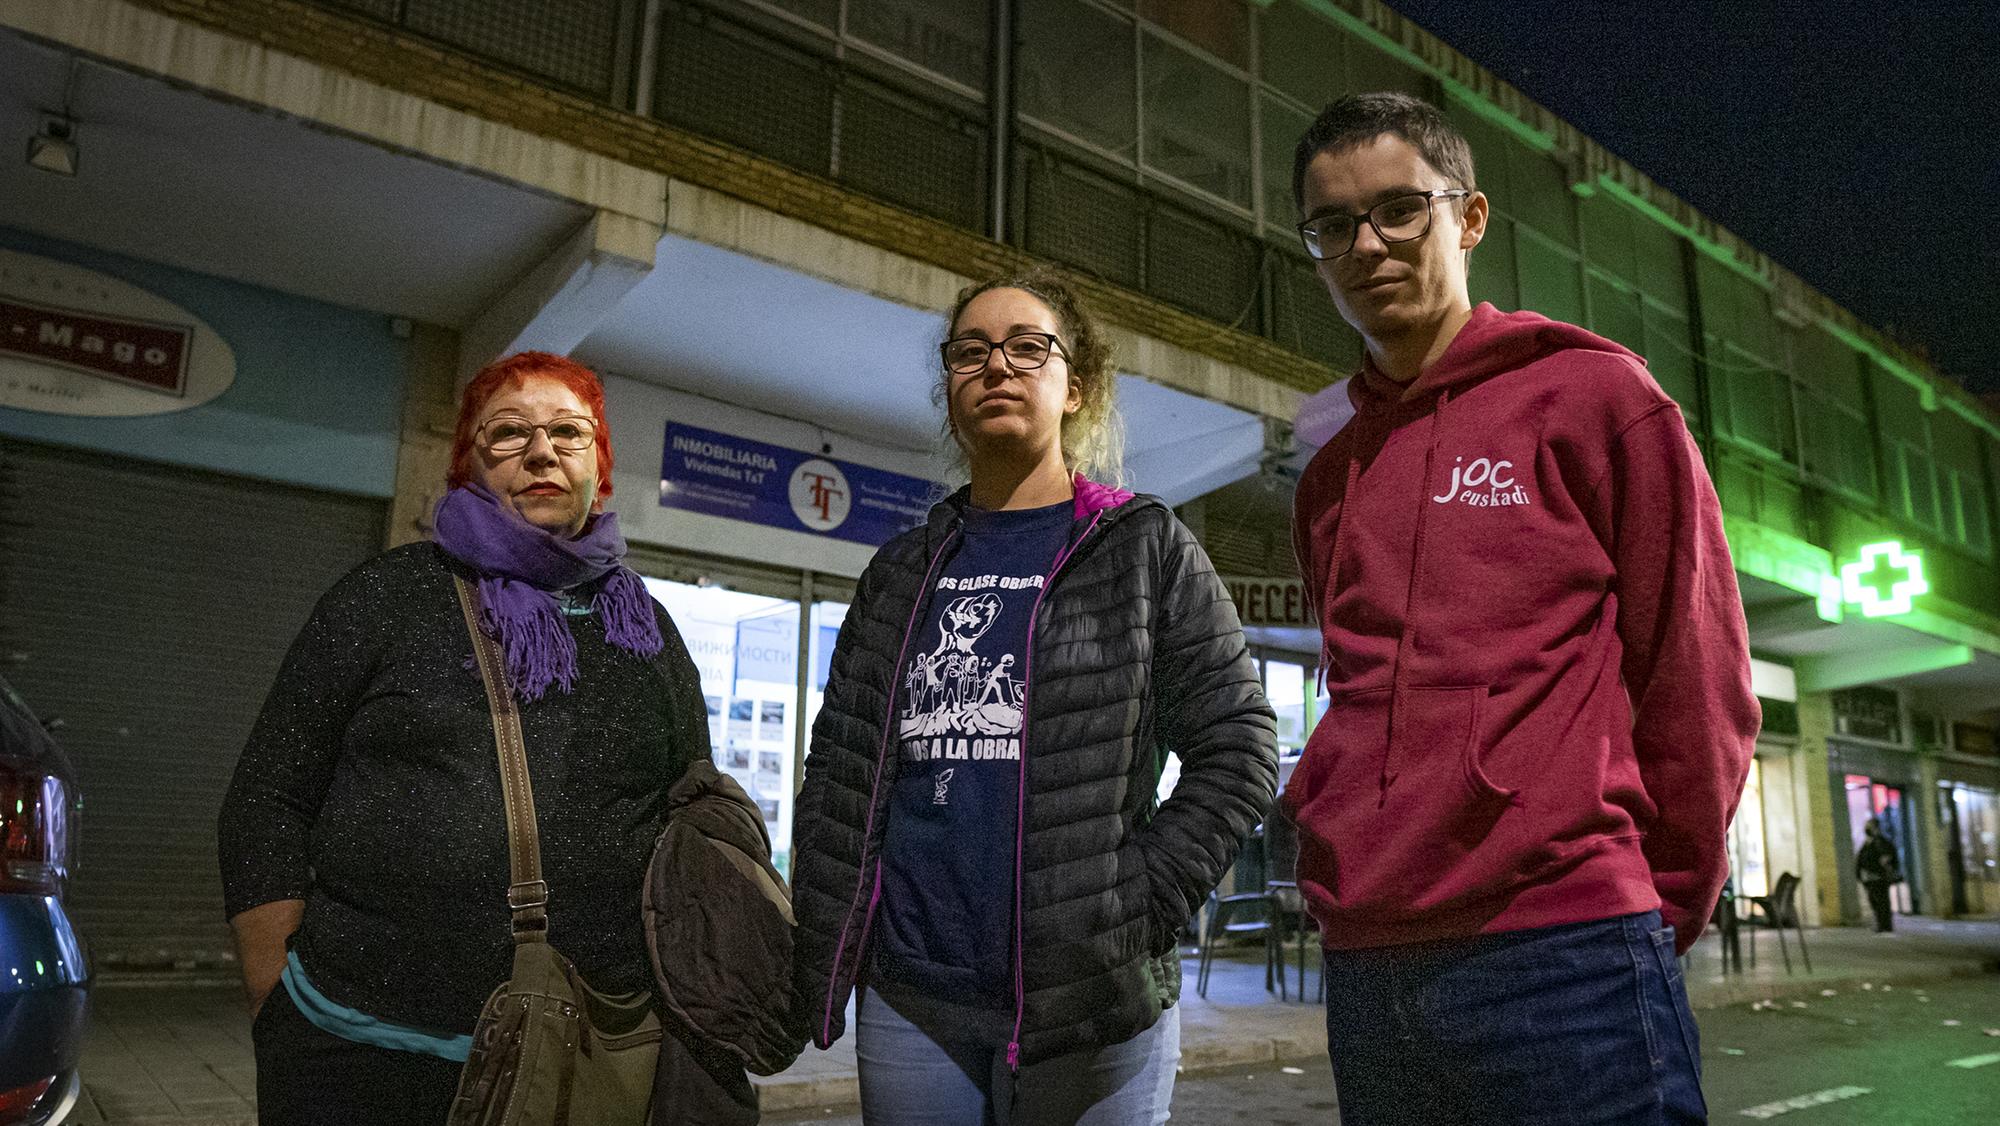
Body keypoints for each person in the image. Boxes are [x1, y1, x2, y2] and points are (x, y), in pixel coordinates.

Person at [1285, 93, 1760, 1125]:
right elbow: (1361, 696)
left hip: (1566, 953)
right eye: (1332, 224)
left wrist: (1640, 901)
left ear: (1469, 218)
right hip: (1372, 966)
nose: (1365, 244)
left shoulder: (1594, 397)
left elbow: (1697, 677)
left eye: (1399, 209)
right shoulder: (1331, 475)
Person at [788, 270, 1277, 1124]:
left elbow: (1238, 748)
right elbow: (838, 769)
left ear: (1074, 384)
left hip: (1090, 998)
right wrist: (835, 933)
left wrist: (1138, 903)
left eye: (1027, 347)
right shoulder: (900, 571)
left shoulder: (1144, 549)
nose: (997, 367)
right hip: (913, 993)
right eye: (970, 352)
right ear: (949, 389)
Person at [217, 351, 741, 1124]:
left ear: (599, 462)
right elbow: (267, 798)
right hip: (363, 1052)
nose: (541, 451)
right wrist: (278, 997)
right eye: (509, 433)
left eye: (569, 432)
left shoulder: (646, 628)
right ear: (468, 460)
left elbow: (688, 819)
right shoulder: (386, 597)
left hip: (581, 1057)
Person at [1856, 818, 1901, 932]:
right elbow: (1860, 859)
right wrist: (1859, 874)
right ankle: (1882, 924)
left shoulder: (1881, 842)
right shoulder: (1868, 843)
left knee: (1882, 901)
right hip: (1870, 877)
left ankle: (1885, 925)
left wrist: (1889, 866)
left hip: (1879, 876)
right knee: (1875, 901)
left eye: (1869, 826)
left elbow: (1889, 858)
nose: (1866, 829)